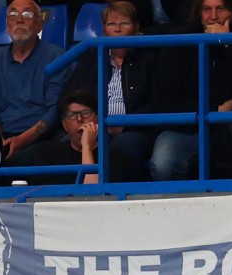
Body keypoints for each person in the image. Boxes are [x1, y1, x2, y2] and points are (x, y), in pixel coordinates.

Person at [149, 0, 232, 180]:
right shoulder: (178, 40)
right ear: (198, 13)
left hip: (230, 128)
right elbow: (163, 99)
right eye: (207, 9)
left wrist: (228, 44)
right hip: (186, 127)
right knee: (162, 164)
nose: (214, 16)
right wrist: (215, 110)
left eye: (221, 9)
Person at [59, 1, 158, 181]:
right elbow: (69, 96)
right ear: (104, 30)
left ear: (136, 28)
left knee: (118, 148)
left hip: (133, 131)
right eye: (111, 24)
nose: (117, 29)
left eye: (124, 23)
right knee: (66, 145)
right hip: (93, 126)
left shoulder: (149, 60)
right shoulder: (91, 58)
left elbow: (159, 104)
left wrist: (123, 125)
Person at [0, 0, 70, 165]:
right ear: (7, 24)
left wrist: (21, 140)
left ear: (39, 25)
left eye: (27, 15)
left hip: (43, 137)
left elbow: (55, 111)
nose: (19, 20)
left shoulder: (56, 57)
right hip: (2, 137)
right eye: (13, 15)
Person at [14, 91, 129, 184]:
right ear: (64, 124)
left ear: (98, 119)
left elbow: (93, 195)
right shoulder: (47, 153)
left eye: (86, 113)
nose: (79, 119)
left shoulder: (113, 156)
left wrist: (86, 146)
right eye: (72, 115)